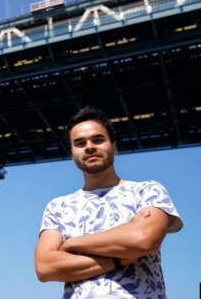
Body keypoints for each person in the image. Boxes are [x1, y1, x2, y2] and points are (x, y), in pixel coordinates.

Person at [34, 106, 183, 299]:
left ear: (114, 147)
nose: (89, 146)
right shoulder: (58, 206)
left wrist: (72, 244)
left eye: (98, 140)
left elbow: (144, 238)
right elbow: (45, 267)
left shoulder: (147, 190)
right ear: (72, 155)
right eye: (80, 143)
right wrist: (118, 259)